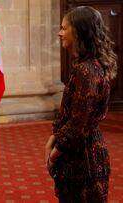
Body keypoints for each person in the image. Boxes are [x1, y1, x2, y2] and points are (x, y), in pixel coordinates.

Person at [45, 6, 117, 202]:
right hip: (86, 154)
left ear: (79, 31)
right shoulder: (89, 66)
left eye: (64, 28)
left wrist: (54, 154)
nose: (60, 33)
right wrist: (54, 136)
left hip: (83, 160)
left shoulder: (86, 71)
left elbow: (79, 125)